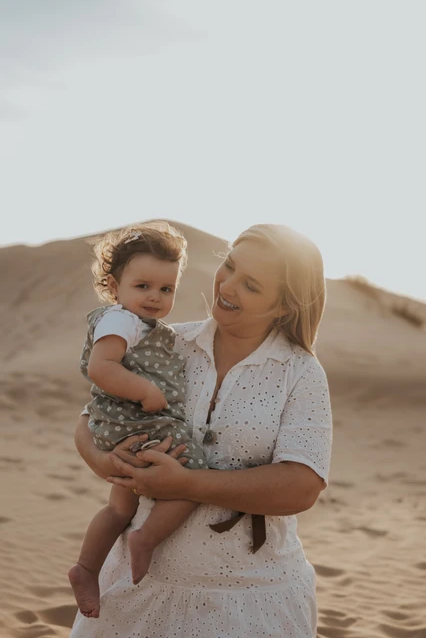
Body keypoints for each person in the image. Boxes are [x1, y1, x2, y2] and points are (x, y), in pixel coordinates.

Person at [70, 223, 333, 638]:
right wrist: (106, 461)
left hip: (250, 600)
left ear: (283, 306)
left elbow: (302, 487)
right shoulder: (167, 340)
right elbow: (89, 419)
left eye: (251, 285)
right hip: (136, 590)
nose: (227, 286)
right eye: (228, 266)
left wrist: (190, 483)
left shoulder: (299, 373)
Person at [68, 222, 208, 619]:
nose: (155, 297)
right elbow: (100, 368)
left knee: (118, 509)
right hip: (136, 421)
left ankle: (86, 568)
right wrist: (145, 391)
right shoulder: (119, 321)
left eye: (166, 289)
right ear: (114, 285)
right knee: (193, 478)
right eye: (143, 286)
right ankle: (146, 539)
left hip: (122, 425)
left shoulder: (142, 326)